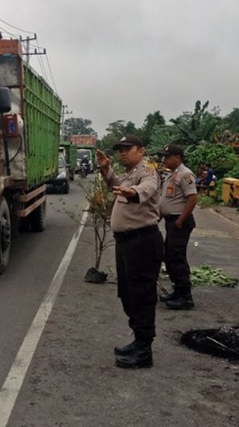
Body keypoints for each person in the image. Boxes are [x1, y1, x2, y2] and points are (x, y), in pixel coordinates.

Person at [96, 134, 163, 369]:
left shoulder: (147, 172)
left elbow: (145, 188)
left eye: (128, 148)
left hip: (142, 241)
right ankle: (138, 339)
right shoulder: (129, 174)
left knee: (142, 296)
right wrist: (106, 170)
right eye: (119, 149)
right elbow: (118, 185)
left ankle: (144, 351)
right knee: (128, 294)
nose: (122, 152)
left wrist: (132, 192)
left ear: (141, 151)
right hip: (127, 243)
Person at [157, 144, 198, 310]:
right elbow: (166, 200)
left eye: (167, 157)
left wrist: (181, 220)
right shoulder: (172, 175)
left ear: (178, 157)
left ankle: (185, 297)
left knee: (177, 258)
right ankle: (177, 291)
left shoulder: (185, 174)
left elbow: (192, 199)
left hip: (179, 222)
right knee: (169, 255)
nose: (164, 160)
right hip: (171, 221)